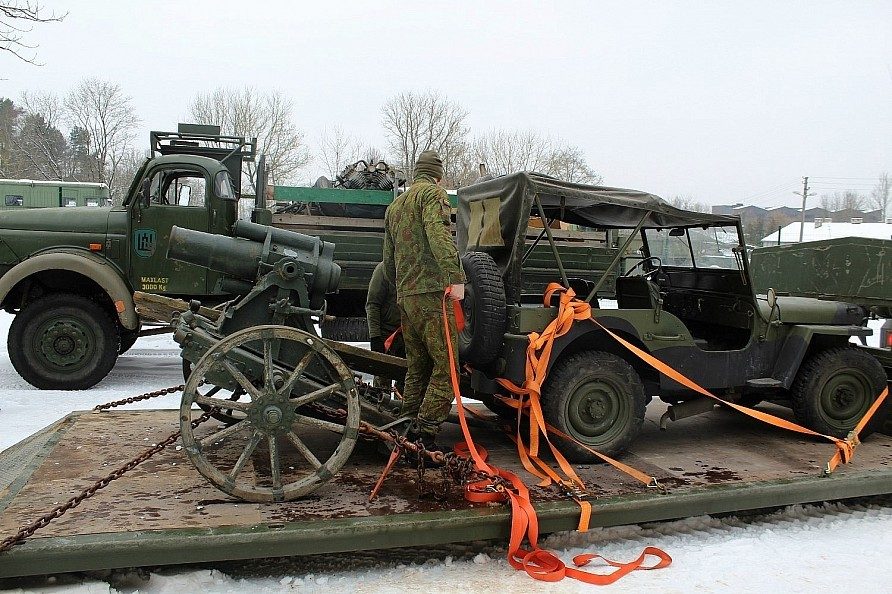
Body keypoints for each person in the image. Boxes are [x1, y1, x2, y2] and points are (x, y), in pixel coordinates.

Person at [382, 150, 466, 451]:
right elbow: (439, 236)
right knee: (448, 366)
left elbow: (388, 261)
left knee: (417, 366)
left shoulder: (394, 207)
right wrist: (456, 278)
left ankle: (405, 426)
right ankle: (426, 433)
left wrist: (402, 289)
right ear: (437, 174)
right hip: (432, 295)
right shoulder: (432, 195)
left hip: (407, 297)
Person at [365, 261, 405, 392]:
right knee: (382, 382)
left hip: (408, 335)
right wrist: (375, 337)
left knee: (407, 382)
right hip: (385, 334)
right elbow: (372, 304)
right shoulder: (383, 270)